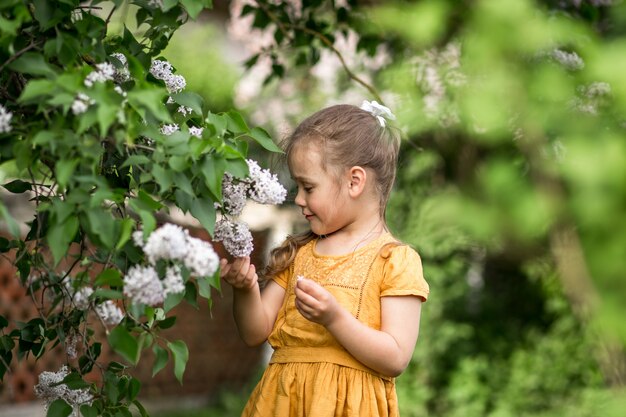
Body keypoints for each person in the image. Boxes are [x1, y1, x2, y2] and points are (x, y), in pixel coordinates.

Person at [219, 102, 429, 417]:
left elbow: (395, 357)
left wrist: (334, 318)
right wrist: (245, 288)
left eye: (308, 187)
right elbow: (254, 332)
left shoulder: (394, 260)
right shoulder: (299, 253)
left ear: (354, 182)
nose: (299, 199)